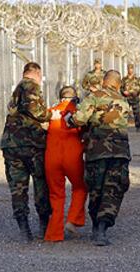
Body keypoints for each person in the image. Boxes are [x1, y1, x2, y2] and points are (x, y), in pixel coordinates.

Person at [64, 70, 131, 246]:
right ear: (118, 84)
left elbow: (79, 119)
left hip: (97, 151)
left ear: (104, 82)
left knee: (96, 188)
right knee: (114, 188)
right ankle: (102, 228)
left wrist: (68, 119)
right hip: (119, 151)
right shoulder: (124, 101)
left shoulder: (94, 96)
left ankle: (96, 225)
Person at [0, 62, 51, 242]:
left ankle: (24, 229)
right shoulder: (30, 86)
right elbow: (37, 111)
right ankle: (44, 226)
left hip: (11, 145)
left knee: (18, 188)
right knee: (41, 184)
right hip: (31, 145)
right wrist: (50, 115)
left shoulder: (16, 90)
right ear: (36, 73)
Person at [44, 86, 88, 242]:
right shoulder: (77, 114)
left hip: (51, 157)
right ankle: (73, 220)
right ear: (74, 98)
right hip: (72, 157)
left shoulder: (49, 112)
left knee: (56, 194)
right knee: (81, 187)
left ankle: (54, 234)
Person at [121, 64, 140, 132]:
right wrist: (124, 92)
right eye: (129, 68)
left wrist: (136, 92)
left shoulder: (137, 79)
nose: (130, 70)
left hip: (135, 98)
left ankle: (138, 127)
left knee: (136, 113)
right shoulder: (124, 79)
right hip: (127, 98)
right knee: (124, 113)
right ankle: (123, 126)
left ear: (133, 69)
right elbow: (121, 88)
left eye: (131, 68)